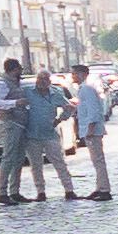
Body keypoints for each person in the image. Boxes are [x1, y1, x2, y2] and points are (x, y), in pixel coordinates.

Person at [22, 67, 79, 200]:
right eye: (39, 78)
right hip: (31, 134)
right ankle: (40, 192)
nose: (41, 81)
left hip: (50, 133)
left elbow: (70, 107)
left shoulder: (55, 93)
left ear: (49, 81)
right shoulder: (28, 92)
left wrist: (59, 119)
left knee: (59, 162)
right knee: (36, 165)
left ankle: (69, 190)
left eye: (44, 79)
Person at [67, 62, 115, 201]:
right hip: (89, 130)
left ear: (82, 74)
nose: (72, 76)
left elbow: (93, 110)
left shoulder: (87, 89)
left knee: (98, 161)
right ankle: (100, 188)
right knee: (96, 161)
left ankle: (104, 190)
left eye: (74, 73)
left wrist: (90, 129)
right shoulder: (83, 89)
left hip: (92, 131)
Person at [0, 58, 35, 202]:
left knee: (19, 158)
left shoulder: (16, 82)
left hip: (19, 124)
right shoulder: (2, 83)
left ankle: (14, 191)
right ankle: (2, 192)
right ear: (13, 69)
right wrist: (15, 103)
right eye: (19, 69)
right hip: (9, 123)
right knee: (9, 157)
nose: (20, 72)